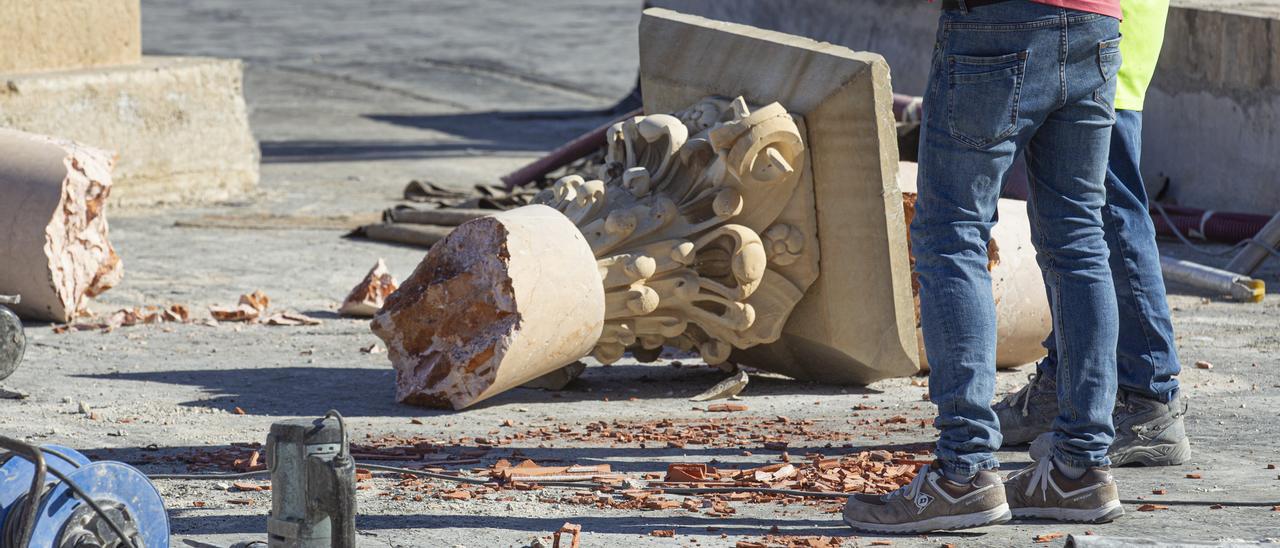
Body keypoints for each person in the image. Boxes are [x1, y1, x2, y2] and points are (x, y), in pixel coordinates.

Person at [844, 0, 1127, 533]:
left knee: (952, 234)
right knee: (1080, 239)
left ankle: (964, 472)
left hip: (997, 24)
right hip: (1097, 21)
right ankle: (1081, 468)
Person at [994, 0, 1190, 468]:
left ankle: (1149, 399)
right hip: (1083, 36)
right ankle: (1067, 386)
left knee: (1108, 219)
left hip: (1100, 38)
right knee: (1066, 225)